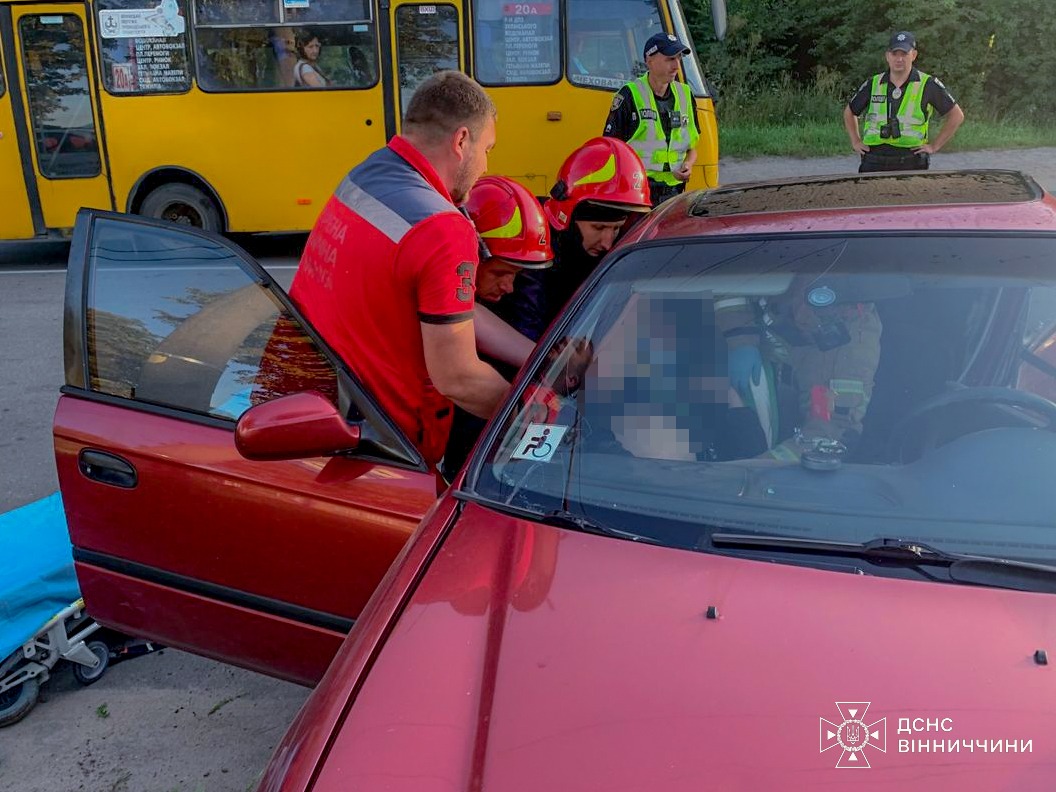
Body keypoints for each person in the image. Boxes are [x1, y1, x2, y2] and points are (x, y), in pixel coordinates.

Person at [289, 70, 510, 470]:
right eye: (487, 149)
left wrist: (538, 355)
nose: (485, 166)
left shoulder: (367, 175)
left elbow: (448, 312)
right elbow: (458, 378)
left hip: (320, 408)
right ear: (461, 141)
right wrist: (538, 413)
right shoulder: (443, 229)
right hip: (387, 450)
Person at [442, 175, 554, 478]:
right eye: (500, 273)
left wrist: (553, 362)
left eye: (516, 275)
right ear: (470, 255)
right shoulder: (438, 296)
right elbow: (466, 319)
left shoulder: (488, 297)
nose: (509, 287)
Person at [494, 137, 652, 343]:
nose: (607, 243)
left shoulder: (629, 249)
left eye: (616, 229)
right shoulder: (533, 248)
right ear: (567, 216)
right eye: (598, 228)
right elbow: (528, 329)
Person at [844, 31, 964, 173]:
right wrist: (856, 141)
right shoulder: (874, 83)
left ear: (914, 55)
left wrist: (934, 146)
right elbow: (849, 112)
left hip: (911, 160)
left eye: (904, 54)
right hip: (874, 159)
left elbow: (956, 115)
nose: (899, 59)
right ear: (887, 56)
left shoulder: (927, 84)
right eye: (895, 54)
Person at [603, 32, 700, 207]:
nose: (676, 66)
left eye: (679, 58)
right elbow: (610, 149)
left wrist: (688, 164)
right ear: (649, 61)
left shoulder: (685, 94)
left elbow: (692, 148)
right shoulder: (629, 95)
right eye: (670, 59)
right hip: (638, 192)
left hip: (675, 192)